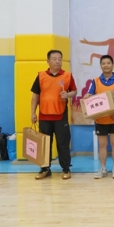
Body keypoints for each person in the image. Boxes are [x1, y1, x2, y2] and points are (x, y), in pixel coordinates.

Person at [30, 49, 77, 180]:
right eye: (54, 59)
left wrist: (68, 95)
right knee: (44, 144)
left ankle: (66, 169)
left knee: (63, 143)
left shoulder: (67, 75)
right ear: (48, 61)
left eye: (59, 59)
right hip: (44, 116)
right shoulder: (41, 76)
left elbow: (74, 91)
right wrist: (33, 112)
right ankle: (45, 169)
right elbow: (35, 96)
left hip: (61, 116)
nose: (57, 61)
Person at [83, 55, 114, 179]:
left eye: (108, 63)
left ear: (112, 65)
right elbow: (89, 95)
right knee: (102, 145)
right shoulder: (95, 81)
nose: (106, 65)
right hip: (100, 119)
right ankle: (103, 169)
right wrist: (87, 97)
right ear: (100, 66)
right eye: (103, 63)